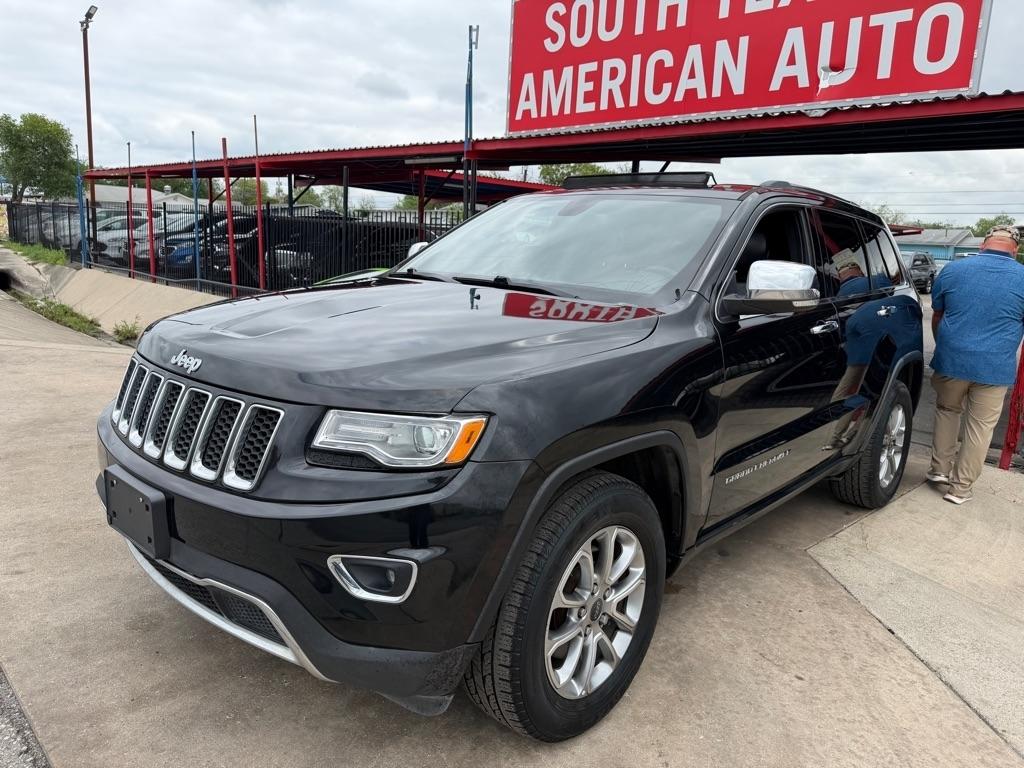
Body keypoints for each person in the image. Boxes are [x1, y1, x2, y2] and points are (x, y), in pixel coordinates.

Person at [928, 226, 1024, 504]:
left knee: (947, 410)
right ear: (1015, 251)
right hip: (995, 368)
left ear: (983, 245)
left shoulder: (954, 270)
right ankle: (960, 489)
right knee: (980, 427)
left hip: (951, 360)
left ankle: (939, 469)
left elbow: (937, 314)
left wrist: (943, 346)